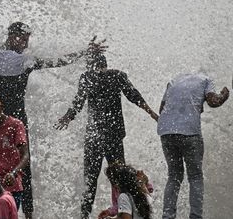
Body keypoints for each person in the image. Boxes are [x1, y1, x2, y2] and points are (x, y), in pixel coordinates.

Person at [0, 22, 106, 219]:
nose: (26, 43)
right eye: (24, 39)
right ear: (14, 36)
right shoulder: (22, 61)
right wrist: (83, 52)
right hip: (15, 122)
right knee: (24, 168)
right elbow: (57, 61)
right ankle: (28, 215)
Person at [55, 53, 158, 218]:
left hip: (94, 139)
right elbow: (134, 95)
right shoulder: (117, 75)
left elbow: (78, 101)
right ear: (106, 64)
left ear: (91, 65)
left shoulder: (88, 77)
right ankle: (133, 213)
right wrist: (150, 112)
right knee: (123, 180)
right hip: (114, 138)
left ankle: (85, 216)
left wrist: (68, 117)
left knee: (90, 183)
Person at [157, 73, 229, 219]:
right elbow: (213, 101)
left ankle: (168, 215)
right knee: (195, 176)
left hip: (166, 131)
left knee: (174, 176)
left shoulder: (173, 81)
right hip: (189, 132)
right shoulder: (206, 80)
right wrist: (224, 94)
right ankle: (195, 216)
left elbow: (162, 109)